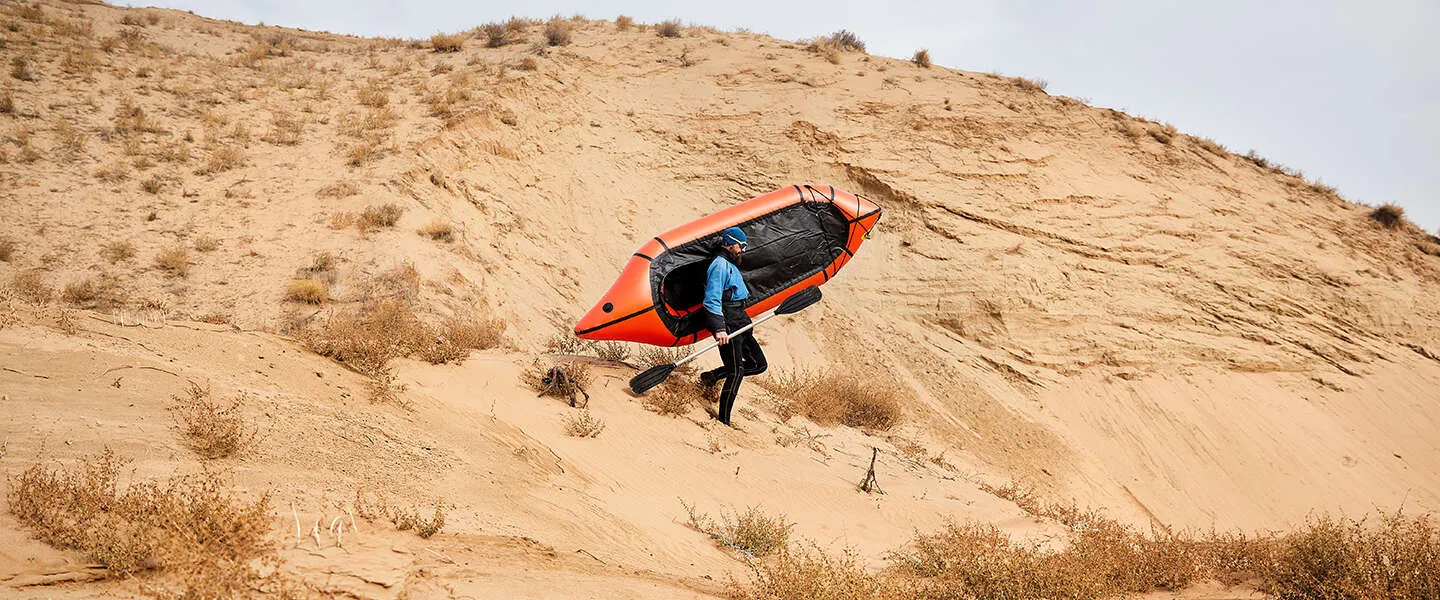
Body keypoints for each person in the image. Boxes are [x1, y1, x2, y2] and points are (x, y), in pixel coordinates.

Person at [698, 226, 767, 426]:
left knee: (759, 365)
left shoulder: (730, 263)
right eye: (741, 245)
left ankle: (712, 376)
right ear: (729, 243)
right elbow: (712, 299)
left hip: (741, 320)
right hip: (728, 324)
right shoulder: (719, 265)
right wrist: (719, 329)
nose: (743, 250)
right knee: (736, 372)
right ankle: (724, 422)